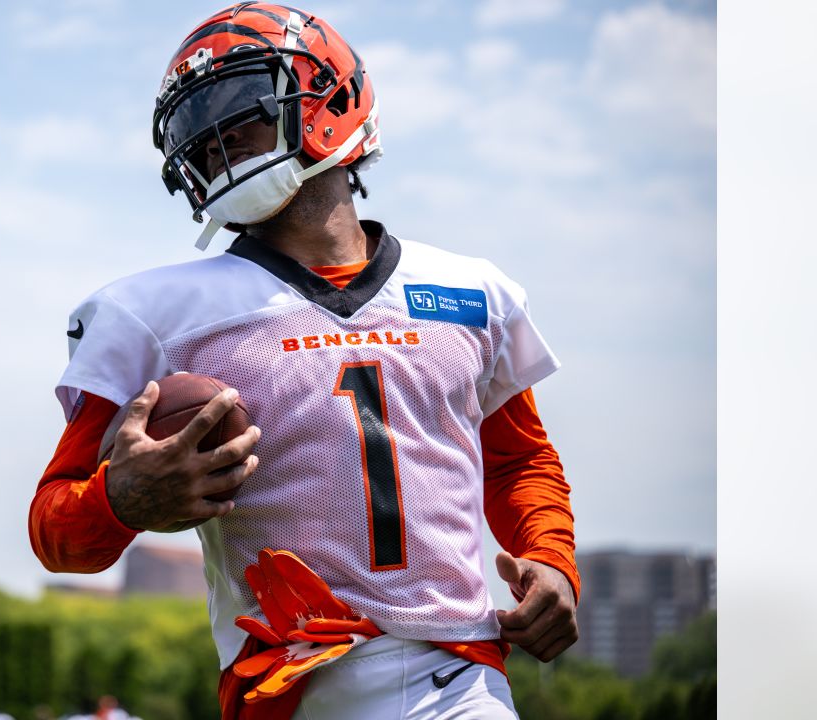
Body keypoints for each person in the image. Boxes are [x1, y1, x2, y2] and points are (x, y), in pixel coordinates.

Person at [29, 4, 579, 718]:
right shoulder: (151, 316)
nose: (215, 139)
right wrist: (120, 500)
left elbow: (518, 461)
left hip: (461, 678)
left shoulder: (472, 293)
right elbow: (55, 531)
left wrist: (553, 561)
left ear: (334, 99)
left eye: (239, 108)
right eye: (200, 126)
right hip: (289, 688)